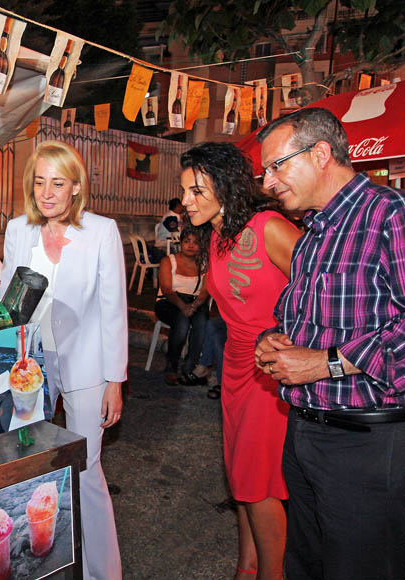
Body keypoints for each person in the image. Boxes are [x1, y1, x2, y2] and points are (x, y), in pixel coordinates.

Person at [254, 108, 405, 579]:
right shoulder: (314, 231)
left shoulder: (389, 215)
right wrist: (271, 341)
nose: (267, 182)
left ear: (321, 154)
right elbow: (297, 316)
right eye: (264, 170)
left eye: (277, 165)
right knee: (306, 565)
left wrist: (326, 364)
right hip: (304, 432)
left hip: (365, 442)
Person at [0, 140, 126, 580]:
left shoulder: (101, 231)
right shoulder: (19, 230)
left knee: (87, 469)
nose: (47, 193)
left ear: (76, 187)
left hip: (87, 365)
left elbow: (113, 309)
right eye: (39, 183)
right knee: (28, 464)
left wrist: (115, 380)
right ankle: (43, 564)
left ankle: (102, 573)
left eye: (57, 183)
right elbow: (7, 299)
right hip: (30, 364)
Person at [181, 142, 301, 580]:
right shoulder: (216, 235)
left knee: (258, 481)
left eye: (197, 190)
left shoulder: (268, 225)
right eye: (185, 191)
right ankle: (246, 568)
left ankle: (273, 574)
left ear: (226, 186)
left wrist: (291, 342)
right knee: (242, 480)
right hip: (233, 364)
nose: (186, 201)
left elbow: (320, 286)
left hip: (268, 369)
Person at [153, 227, 209, 386]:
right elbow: (166, 289)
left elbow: (205, 291)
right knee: (182, 322)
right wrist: (183, 307)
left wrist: (195, 305)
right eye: (187, 241)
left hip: (195, 302)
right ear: (181, 243)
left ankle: (190, 366)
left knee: (202, 323)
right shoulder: (168, 261)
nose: (191, 245)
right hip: (169, 301)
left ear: (201, 245)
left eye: (195, 242)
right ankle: (172, 365)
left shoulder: (204, 264)